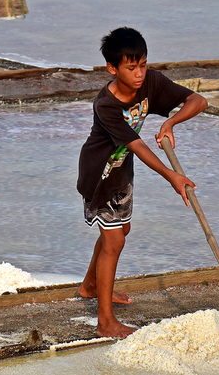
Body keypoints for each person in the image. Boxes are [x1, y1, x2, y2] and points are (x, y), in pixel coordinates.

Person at [76, 27, 208, 338]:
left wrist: (170, 121)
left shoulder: (150, 82)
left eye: (143, 65)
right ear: (113, 68)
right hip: (101, 175)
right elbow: (137, 144)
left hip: (122, 172)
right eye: (131, 67)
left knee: (121, 230)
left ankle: (90, 285)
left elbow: (198, 100)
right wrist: (172, 176)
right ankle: (105, 323)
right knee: (114, 240)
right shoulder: (105, 105)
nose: (139, 74)